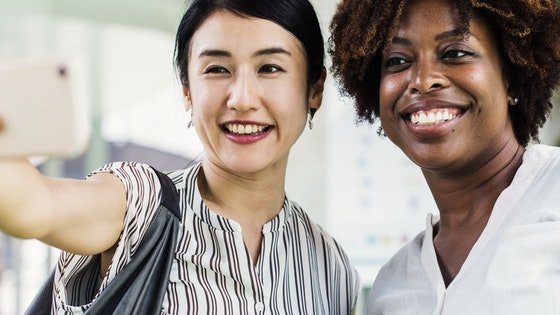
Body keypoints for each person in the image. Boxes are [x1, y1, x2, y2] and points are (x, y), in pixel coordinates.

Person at [0, 0, 361, 313]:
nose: (242, 99)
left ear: (314, 89)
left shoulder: (331, 267)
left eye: (270, 68)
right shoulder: (138, 205)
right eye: (217, 69)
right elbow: (35, 206)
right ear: (187, 90)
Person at [329, 0, 560, 314]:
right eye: (396, 60)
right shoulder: (391, 288)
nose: (423, 81)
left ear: (512, 76)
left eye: (454, 53)